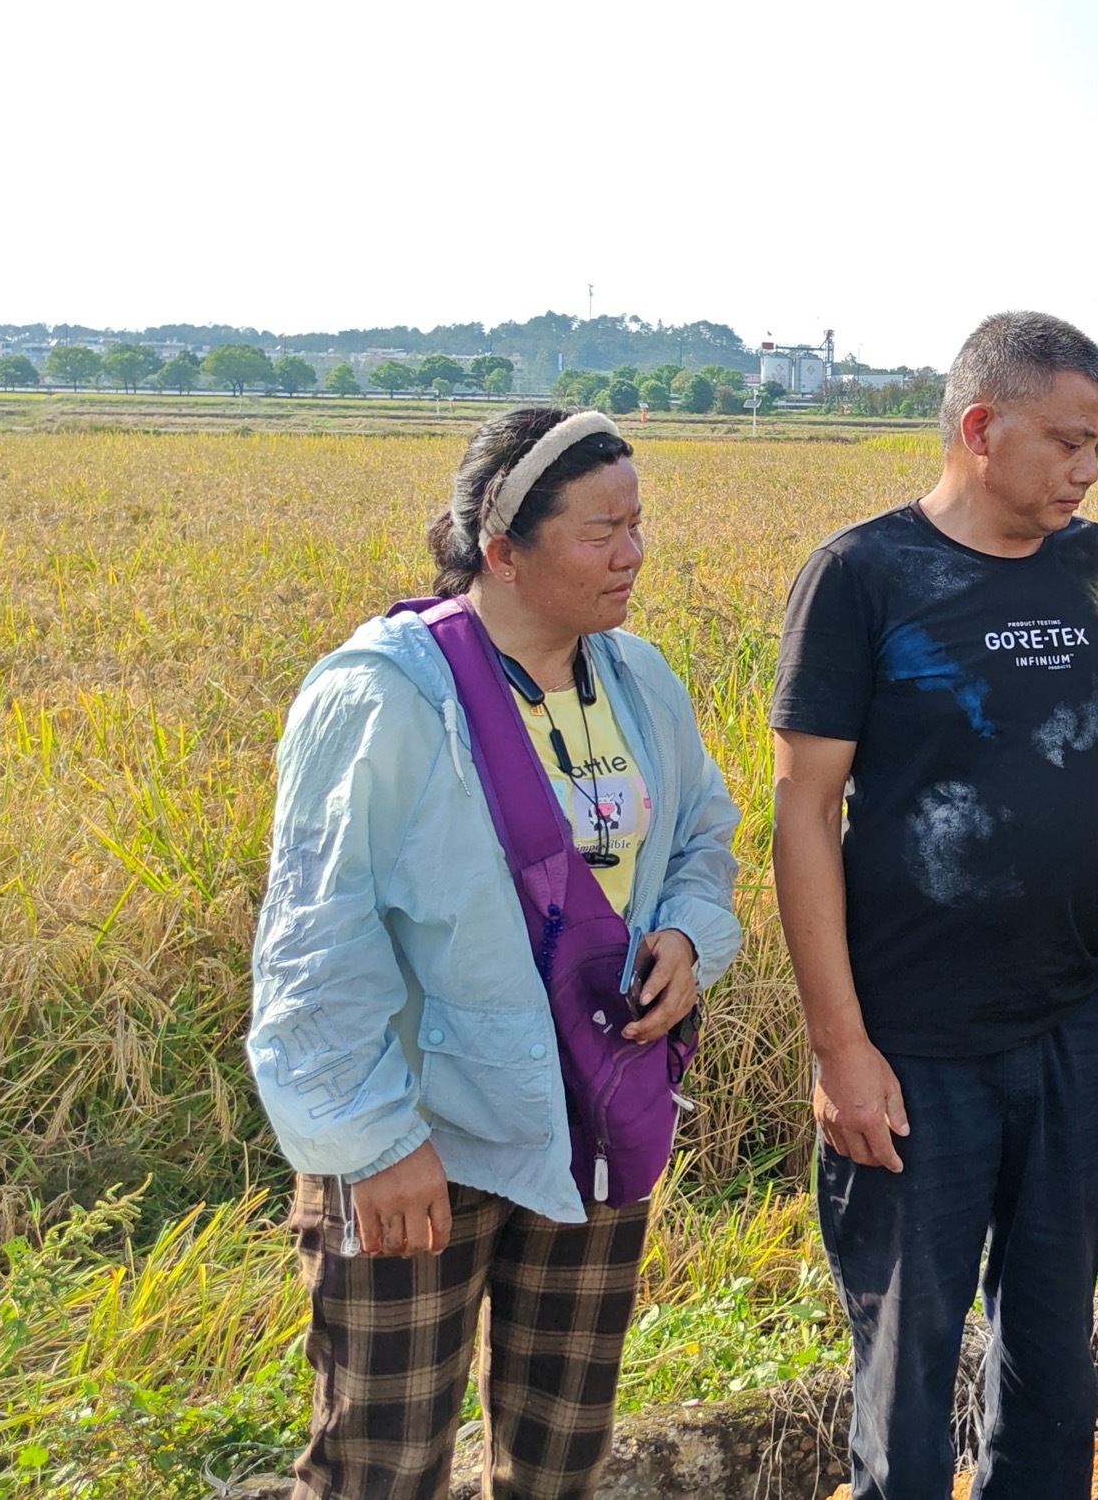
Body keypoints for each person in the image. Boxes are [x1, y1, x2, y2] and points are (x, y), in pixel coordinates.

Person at [247, 407, 744, 1500]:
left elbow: (704, 834)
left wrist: (687, 935)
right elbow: (314, 940)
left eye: (639, 523)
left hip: (593, 1119)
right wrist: (373, 1143)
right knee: (383, 1460)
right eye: (600, 530)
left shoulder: (636, 679)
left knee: (562, 1449)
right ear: (501, 545)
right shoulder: (385, 694)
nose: (633, 554)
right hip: (427, 1135)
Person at [769, 311, 1098, 1500]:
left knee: (1053, 1358)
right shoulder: (864, 574)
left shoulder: (1097, 567)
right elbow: (803, 809)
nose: (1089, 471)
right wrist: (841, 1046)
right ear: (981, 427)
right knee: (907, 1370)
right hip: (913, 1045)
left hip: (1066, 1028)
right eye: (1066, 442)